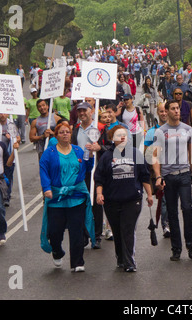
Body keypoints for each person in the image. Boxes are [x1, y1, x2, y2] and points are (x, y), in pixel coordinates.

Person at [95, 125, 153, 272]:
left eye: (124, 135)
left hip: (132, 199)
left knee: (127, 230)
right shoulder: (107, 157)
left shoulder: (136, 154)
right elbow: (99, 178)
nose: (122, 137)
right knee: (117, 230)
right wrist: (99, 194)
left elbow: (145, 176)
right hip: (111, 200)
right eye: (118, 135)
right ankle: (120, 257)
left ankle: (129, 262)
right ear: (112, 138)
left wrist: (150, 195)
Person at [39, 122, 95, 272]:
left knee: (76, 230)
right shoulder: (49, 152)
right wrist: (46, 188)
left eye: (67, 132)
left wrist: (90, 155)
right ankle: (57, 251)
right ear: (56, 136)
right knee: (55, 231)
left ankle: (78, 262)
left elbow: (87, 168)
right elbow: (43, 170)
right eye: (62, 132)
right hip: (56, 198)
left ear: (71, 134)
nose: (65, 134)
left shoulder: (78, 151)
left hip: (76, 197)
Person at [152, 100, 192, 261]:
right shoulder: (160, 132)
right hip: (168, 176)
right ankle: (176, 248)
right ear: (167, 111)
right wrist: (158, 176)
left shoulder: (188, 130)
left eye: (178, 108)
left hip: (185, 174)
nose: (176, 111)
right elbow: (155, 156)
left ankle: (191, 245)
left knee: (187, 209)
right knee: (172, 212)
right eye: (173, 109)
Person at [71, 102, 105, 249]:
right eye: (79, 111)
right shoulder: (76, 129)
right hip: (80, 170)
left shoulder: (99, 128)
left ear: (91, 112)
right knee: (81, 203)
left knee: (96, 203)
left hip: (96, 170)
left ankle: (96, 236)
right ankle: (84, 235)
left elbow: (109, 147)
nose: (82, 113)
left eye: (84, 110)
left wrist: (99, 148)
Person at [144, 102, 170, 237]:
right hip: (159, 170)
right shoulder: (151, 132)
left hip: (174, 169)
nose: (164, 113)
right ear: (157, 113)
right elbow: (145, 151)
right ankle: (166, 224)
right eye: (161, 111)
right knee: (164, 198)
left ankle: (170, 222)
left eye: (166, 110)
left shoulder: (175, 129)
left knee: (172, 199)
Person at [0, 113, 21, 207]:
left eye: (4, 113)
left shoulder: (11, 124)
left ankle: (6, 197)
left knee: (8, 177)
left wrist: (12, 139)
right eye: (0, 113)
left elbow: (18, 138)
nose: (2, 115)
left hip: (9, 155)